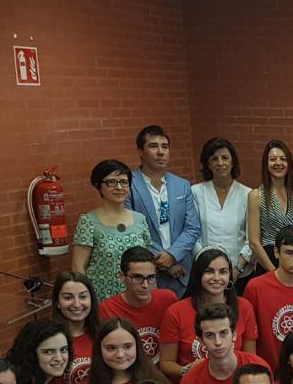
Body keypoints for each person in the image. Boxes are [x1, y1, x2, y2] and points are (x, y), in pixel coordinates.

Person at [159, 248, 258, 382]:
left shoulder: (244, 307)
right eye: (209, 271)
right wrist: (187, 370)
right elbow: (166, 363)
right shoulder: (175, 312)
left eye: (223, 272)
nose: (216, 278)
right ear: (197, 274)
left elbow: (250, 358)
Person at [127, 125, 201, 295]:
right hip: (144, 274)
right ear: (140, 151)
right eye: (153, 146)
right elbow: (133, 232)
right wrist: (162, 261)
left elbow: (192, 227)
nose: (160, 152)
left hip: (182, 271)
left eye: (165, 147)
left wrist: (173, 256)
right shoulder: (128, 185)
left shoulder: (181, 185)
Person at [243, 224, 293, 367]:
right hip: (269, 372)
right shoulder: (255, 288)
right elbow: (249, 337)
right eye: (290, 253)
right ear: (276, 252)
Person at [71, 160, 152, 300]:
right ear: (98, 186)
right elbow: (78, 267)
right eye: (111, 182)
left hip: (137, 297)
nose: (119, 187)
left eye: (124, 182)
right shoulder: (88, 221)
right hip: (103, 298)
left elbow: (148, 262)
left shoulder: (140, 219)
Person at [180, 304, 270, 384]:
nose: (218, 342)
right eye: (210, 335)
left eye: (223, 333)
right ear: (200, 341)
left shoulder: (259, 367)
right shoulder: (190, 382)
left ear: (234, 335)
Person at [99, 246, 178, 365]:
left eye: (151, 277)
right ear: (122, 276)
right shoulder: (107, 310)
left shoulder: (168, 299)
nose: (145, 285)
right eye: (137, 278)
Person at [190, 137, 253, 282]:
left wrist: (238, 269)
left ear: (232, 161)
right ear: (208, 164)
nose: (220, 163)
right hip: (206, 274)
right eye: (214, 159)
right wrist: (206, 265)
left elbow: (251, 239)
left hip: (239, 273)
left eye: (225, 158)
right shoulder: (196, 192)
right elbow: (193, 235)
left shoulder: (247, 194)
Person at [247, 140, 293, 275]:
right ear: (266, 164)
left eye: (283, 159)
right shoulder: (256, 196)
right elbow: (254, 241)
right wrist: (274, 271)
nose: (278, 163)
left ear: (289, 163)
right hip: (269, 261)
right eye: (273, 159)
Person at [52, 271, 100, 384]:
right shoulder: (49, 340)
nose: (77, 304)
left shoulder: (103, 335)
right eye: (68, 298)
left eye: (83, 297)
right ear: (57, 302)